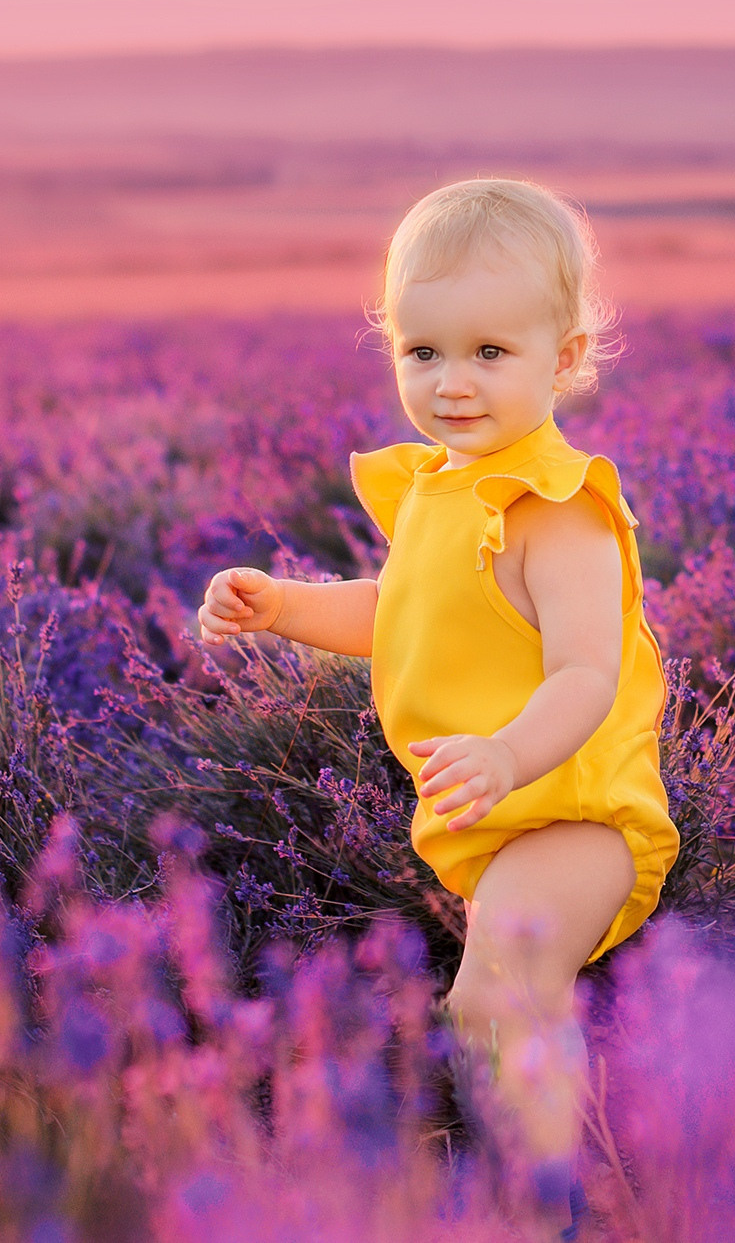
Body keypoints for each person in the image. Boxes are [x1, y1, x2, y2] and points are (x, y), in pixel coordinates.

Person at [195, 177, 680, 1239]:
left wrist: (509, 756)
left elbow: (586, 677)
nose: (451, 382)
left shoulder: (557, 510)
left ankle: (552, 1199)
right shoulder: (437, 487)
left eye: (488, 353)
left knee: (498, 994)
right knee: (486, 997)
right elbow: (392, 609)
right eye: (423, 351)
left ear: (561, 359)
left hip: (576, 811)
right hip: (495, 810)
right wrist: (280, 605)